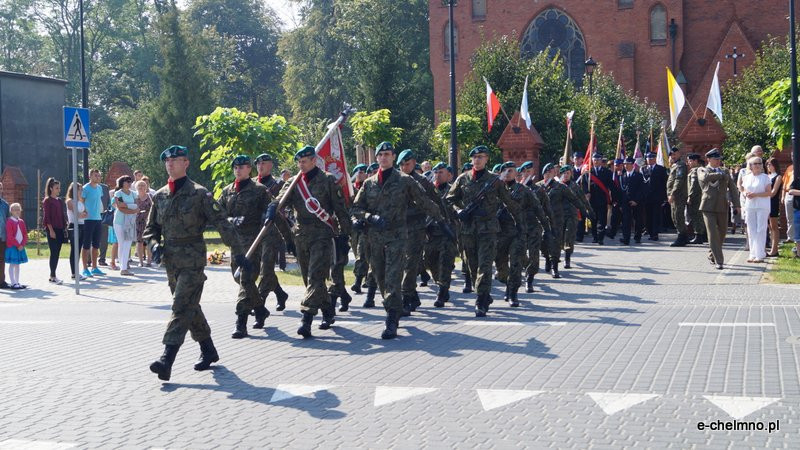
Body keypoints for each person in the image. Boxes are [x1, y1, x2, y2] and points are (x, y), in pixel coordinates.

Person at [145, 145, 250, 381]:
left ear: (186, 163)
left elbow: (222, 222)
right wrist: (154, 245)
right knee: (190, 306)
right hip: (171, 260)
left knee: (181, 306)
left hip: (192, 258)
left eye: (176, 160)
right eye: (167, 161)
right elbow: (151, 228)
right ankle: (208, 350)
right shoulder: (160, 195)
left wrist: (239, 251)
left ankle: (166, 359)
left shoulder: (200, 194)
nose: (170, 164)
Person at [353, 142, 444, 335]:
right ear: (376, 158)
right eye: (381, 154)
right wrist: (369, 217)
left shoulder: (404, 181)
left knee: (394, 277)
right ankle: (395, 306)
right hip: (375, 238)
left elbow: (424, 201)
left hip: (397, 237)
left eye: (387, 154)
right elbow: (355, 209)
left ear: (393, 157)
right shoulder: (369, 184)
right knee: (380, 278)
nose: (384, 157)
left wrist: (440, 221)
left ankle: (392, 320)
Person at [268, 145, 352, 338]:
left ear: (314, 160)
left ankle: (306, 319)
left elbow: (341, 210)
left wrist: (344, 236)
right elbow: (280, 200)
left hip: (322, 234)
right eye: (298, 162)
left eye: (304, 161)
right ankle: (328, 310)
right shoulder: (295, 182)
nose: (301, 165)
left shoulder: (328, 180)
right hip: (301, 235)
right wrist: (273, 207)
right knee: (309, 279)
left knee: (315, 276)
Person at [447, 145, 520, 316]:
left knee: (485, 266)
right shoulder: (462, 179)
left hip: (488, 230)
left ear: (486, 159)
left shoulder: (495, 181)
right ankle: (484, 293)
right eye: (475, 157)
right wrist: (459, 211)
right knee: (473, 267)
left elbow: (509, 203)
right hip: (468, 230)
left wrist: (520, 223)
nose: (477, 160)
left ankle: (481, 301)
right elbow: (449, 200)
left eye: (481, 157)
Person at [219, 155, 270, 337]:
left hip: (253, 241)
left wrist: (266, 217)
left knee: (246, 280)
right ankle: (260, 308)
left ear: (250, 169)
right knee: (238, 278)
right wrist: (230, 220)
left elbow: (269, 213)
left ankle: (241, 322)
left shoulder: (259, 190)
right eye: (236, 167)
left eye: (242, 167)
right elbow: (218, 213)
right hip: (235, 242)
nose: (238, 170)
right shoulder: (227, 191)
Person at [398, 149, 441, 314]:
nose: (404, 167)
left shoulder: (423, 182)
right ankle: (412, 296)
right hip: (400, 229)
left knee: (410, 265)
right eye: (401, 165)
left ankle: (404, 298)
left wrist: (442, 223)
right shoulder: (398, 181)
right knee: (403, 265)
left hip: (417, 228)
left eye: (407, 164)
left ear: (414, 163)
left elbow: (436, 202)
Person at [253, 153, 290, 312]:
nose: (260, 166)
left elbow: (281, 208)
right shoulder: (252, 184)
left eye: (264, 163)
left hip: (272, 232)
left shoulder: (279, 186)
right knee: (259, 269)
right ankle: (281, 294)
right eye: (258, 164)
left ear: (271, 166)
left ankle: (259, 302)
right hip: (254, 233)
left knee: (266, 269)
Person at [692, 148, 740, 269]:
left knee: (722, 233)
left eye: (719, 159)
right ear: (708, 159)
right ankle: (720, 261)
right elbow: (704, 178)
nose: (718, 161)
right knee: (713, 233)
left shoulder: (725, 171)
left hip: (722, 205)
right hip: (708, 206)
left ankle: (712, 254)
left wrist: (737, 205)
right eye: (715, 159)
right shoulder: (702, 169)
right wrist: (720, 175)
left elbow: (733, 189)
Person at [425, 162, 458, 307]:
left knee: (445, 262)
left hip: (447, 232)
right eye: (436, 172)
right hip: (432, 232)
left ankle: (442, 291)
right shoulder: (428, 190)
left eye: (441, 172)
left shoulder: (454, 191)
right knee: (430, 261)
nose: (438, 175)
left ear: (449, 175)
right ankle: (442, 286)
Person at [740, 156, 772, 263]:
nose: (758, 165)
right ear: (751, 166)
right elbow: (743, 190)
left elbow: (769, 192)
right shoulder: (746, 177)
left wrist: (756, 194)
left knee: (761, 229)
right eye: (755, 163)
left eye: (759, 163)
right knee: (751, 229)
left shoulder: (765, 177)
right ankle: (752, 254)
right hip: (750, 206)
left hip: (762, 206)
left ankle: (760, 254)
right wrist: (745, 194)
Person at [81, 169, 107, 277]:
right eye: (95, 175)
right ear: (90, 176)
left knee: (96, 244)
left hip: (97, 218)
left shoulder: (100, 188)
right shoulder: (85, 188)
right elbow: (81, 200)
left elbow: (99, 202)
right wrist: (84, 211)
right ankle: (85, 268)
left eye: (99, 175)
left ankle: (95, 268)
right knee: (86, 244)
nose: (98, 177)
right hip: (88, 220)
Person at [42, 177, 67, 284]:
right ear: (51, 188)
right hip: (52, 229)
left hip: (60, 229)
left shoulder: (60, 201)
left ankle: (53, 274)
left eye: (59, 188)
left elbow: (62, 215)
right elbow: (47, 217)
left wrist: (65, 227)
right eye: (57, 188)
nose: (58, 190)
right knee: (54, 252)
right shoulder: (47, 201)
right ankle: (52, 275)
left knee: (57, 253)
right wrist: (51, 230)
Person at [112, 176, 138, 276]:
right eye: (127, 181)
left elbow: (136, 206)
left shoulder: (134, 194)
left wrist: (126, 205)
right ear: (122, 183)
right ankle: (123, 267)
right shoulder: (118, 193)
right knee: (122, 243)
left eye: (130, 181)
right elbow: (120, 207)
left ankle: (124, 267)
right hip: (119, 221)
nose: (129, 183)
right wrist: (131, 208)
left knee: (127, 244)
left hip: (131, 221)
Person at [350, 164, 369, 295]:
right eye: (358, 171)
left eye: (362, 171)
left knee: (362, 254)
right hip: (354, 226)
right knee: (358, 252)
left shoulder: (369, 187)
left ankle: (360, 280)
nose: (360, 173)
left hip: (367, 226)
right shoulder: (350, 188)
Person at [587, 153, 613, 245]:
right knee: (593, 219)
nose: (596, 161)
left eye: (598, 160)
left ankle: (600, 237)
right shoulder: (589, 172)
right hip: (592, 200)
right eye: (594, 160)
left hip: (602, 199)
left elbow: (611, 186)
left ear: (601, 160)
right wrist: (587, 193)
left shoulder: (607, 172)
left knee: (602, 220)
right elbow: (585, 185)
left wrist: (612, 198)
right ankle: (595, 237)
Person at [642, 152, 668, 240]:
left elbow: (664, 183)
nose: (649, 160)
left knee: (656, 215)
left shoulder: (661, 169)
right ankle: (649, 232)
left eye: (651, 158)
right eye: (648, 158)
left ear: (655, 159)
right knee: (648, 215)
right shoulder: (643, 169)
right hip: (646, 196)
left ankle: (655, 233)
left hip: (657, 196)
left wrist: (664, 197)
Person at [667, 147, 689, 247]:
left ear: (679, 153)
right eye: (671, 155)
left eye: (674, 154)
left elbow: (678, 181)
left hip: (678, 196)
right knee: (674, 216)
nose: (673, 156)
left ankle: (681, 237)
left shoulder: (681, 165)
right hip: (675, 195)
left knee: (678, 216)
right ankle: (684, 236)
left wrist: (673, 194)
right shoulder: (674, 165)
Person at [65, 182, 88, 280]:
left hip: (82, 225)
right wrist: (80, 215)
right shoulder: (70, 201)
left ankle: (77, 272)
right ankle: (74, 273)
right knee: (74, 250)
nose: (81, 191)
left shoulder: (80, 201)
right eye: (79, 189)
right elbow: (76, 214)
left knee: (78, 249)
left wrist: (82, 214)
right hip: (74, 225)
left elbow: (85, 213)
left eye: (81, 189)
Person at [620, 157, 645, 245]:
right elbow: (622, 190)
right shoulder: (622, 176)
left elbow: (641, 190)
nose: (626, 166)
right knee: (626, 220)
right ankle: (626, 238)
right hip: (626, 202)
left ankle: (637, 237)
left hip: (637, 201)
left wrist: (636, 200)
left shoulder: (638, 175)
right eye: (625, 164)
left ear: (632, 165)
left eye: (628, 164)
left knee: (638, 219)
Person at [5, 203, 28, 289]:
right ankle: (13, 283)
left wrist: (22, 244)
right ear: (11, 211)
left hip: (20, 247)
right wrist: (17, 245)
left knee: (17, 265)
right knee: (12, 264)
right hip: (13, 247)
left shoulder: (21, 221)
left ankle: (17, 282)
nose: (17, 211)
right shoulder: (9, 221)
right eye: (15, 209)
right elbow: (10, 236)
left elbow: (25, 234)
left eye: (18, 209)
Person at [686, 154, 707, 244]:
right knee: (700, 216)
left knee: (696, 216)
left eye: (690, 161)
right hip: (700, 197)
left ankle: (698, 236)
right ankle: (703, 236)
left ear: (695, 161)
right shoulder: (701, 169)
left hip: (696, 198)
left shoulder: (695, 171)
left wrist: (690, 196)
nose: (688, 163)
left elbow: (693, 185)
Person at [766, 158, 783, 257]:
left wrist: (761, 194)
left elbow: (773, 193)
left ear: (775, 165)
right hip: (765, 203)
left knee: (774, 226)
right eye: (767, 164)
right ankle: (772, 248)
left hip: (773, 203)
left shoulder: (778, 177)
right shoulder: (766, 176)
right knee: (769, 227)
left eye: (770, 164)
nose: (768, 166)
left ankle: (774, 249)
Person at [134, 180, 153, 266]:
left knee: (149, 241)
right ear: (136, 187)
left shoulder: (150, 196)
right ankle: (140, 261)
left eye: (143, 185)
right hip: (137, 221)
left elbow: (154, 208)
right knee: (139, 241)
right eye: (139, 185)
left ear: (146, 187)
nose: (141, 187)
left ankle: (149, 261)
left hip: (148, 221)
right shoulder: (134, 197)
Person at [782, 154, 796, 244]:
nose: (793, 157)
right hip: (789, 194)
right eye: (792, 156)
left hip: (797, 193)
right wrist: (783, 196)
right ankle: (790, 237)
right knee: (789, 217)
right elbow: (784, 184)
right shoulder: (789, 168)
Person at [0, 182, 8, 289]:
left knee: (2, 259)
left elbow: (8, 221)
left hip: (2, 237)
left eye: (0, 188)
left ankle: (1, 281)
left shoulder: (5, 205)